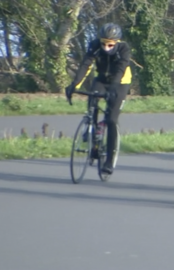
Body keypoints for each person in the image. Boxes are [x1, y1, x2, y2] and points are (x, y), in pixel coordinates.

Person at [65, 23, 132, 175]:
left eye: (110, 44)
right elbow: (85, 65)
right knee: (92, 102)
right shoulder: (94, 45)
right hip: (101, 80)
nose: (106, 47)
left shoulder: (123, 49)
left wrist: (114, 87)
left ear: (117, 42)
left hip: (120, 82)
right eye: (103, 43)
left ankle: (109, 161)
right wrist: (74, 84)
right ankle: (93, 136)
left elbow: (121, 68)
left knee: (112, 120)